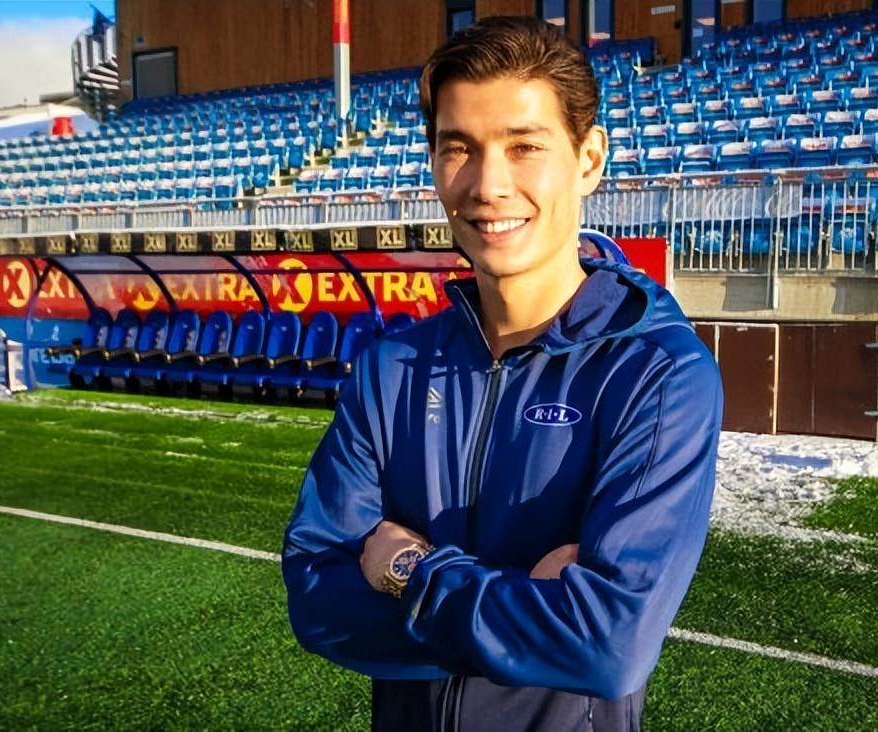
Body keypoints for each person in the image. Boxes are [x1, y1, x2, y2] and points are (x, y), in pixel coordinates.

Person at [282, 16, 722, 732]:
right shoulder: (390, 369)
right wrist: (527, 613)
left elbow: (605, 647)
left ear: (588, 159)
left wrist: (407, 572)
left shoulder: (658, 374)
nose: (488, 185)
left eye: (524, 147)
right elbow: (316, 601)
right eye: (459, 147)